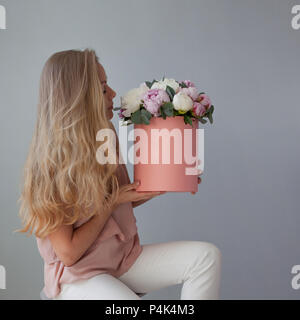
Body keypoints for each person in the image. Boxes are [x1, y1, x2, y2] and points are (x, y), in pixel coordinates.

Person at [17, 48, 221, 300]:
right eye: (103, 89)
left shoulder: (105, 134)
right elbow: (69, 254)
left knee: (206, 257)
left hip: (120, 259)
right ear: (78, 97)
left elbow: (123, 197)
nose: (113, 93)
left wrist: (169, 180)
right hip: (79, 275)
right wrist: (110, 203)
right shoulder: (50, 164)